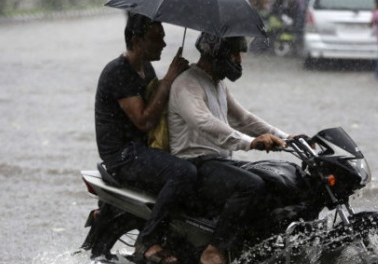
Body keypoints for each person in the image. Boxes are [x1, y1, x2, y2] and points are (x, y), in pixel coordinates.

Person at [167, 32, 297, 264]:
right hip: (195, 163)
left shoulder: (217, 83)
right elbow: (203, 121)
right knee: (250, 185)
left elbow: (243, 118)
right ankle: (214, 250)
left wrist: (286, 137)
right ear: (215, 52)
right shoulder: (187, 83)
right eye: (234, 53)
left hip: (219, 161)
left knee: (272, 181)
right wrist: (249, 142)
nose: (239, 59)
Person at [94, 13, 195, 264]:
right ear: (137, 40)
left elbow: (158, 104)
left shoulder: (145, 68)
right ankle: (149, 240)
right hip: (123, 156)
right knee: (183, 173)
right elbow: (145, 120)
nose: (162, 44)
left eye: (162, 37)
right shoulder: (119, 72)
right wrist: (170, 78)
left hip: (141, 148)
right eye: (155, 38)